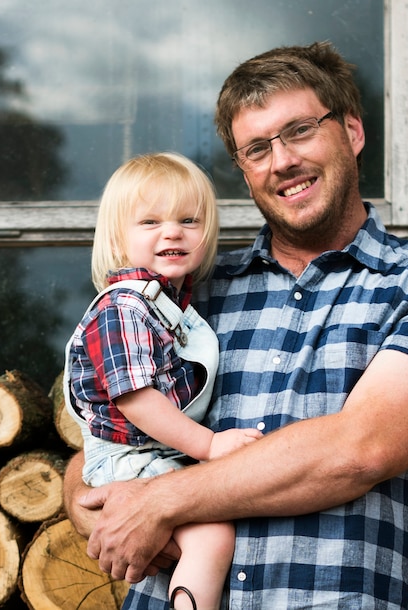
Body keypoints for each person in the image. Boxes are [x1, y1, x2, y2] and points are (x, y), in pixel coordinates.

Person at [64, 42, 408, 609]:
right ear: (243, 171)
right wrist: (79, 496)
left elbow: (358, 450)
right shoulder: (191, 294)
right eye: (256, 148)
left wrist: (160, 501)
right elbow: (115, 430)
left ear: (353, 132)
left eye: (299, 131)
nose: (282, 160)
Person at [63, 152, 263, 610]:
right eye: (149, 221)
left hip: (152, 452)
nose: (172, 231)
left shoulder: (169, 305)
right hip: (128, 458)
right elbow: (138, 400)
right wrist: (210, 447)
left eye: (188, 220)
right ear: (117, 237)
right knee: (210, 535)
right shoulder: (124, 307)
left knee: (199, 537)